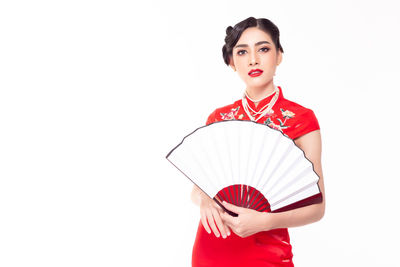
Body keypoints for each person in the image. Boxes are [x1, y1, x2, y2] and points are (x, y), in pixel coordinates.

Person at [190, 17, 326, 266]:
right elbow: (198, 188)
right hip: (212, 247)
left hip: (268, 250)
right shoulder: (219, 118)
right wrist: (205, 199)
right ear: (232, 62)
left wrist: (263, 222)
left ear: (279, 56)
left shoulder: (301, 119)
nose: (253, 59)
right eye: (242, 52)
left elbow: (317, 208)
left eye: (263, 49)